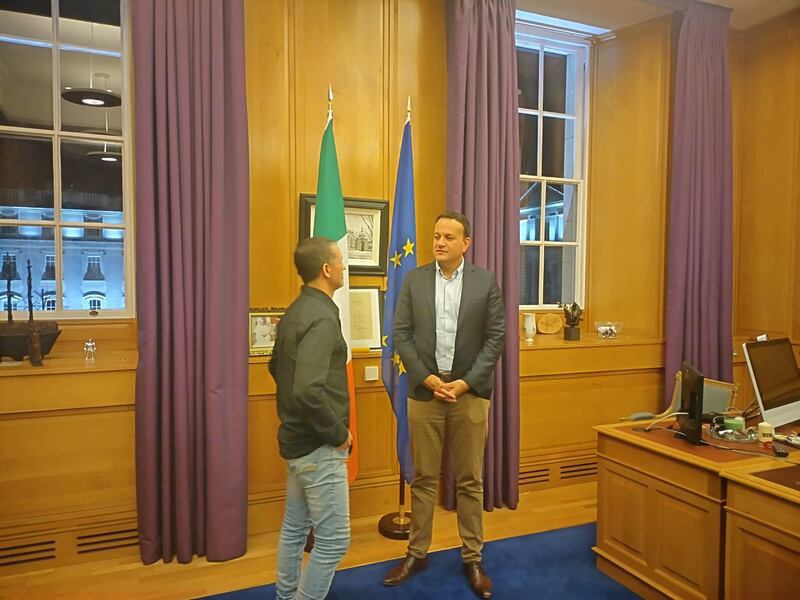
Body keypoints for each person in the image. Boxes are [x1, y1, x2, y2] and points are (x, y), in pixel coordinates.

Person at [382, 212, 505, 599]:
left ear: (466, 243)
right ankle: (417, 553)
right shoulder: (415, 280)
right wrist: (427, 379)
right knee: (423, 478)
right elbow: (401, 334)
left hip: (470, 394)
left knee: (470, 480)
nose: (439, 242)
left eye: (449, 237)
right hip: (425, 393)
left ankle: (473, 557)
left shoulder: (485, 282)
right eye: (436, 235)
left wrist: (465, 383)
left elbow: (495, 338)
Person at [269, 236, 354, 600]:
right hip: (318, 445)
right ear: (326, 269)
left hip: (296, 440)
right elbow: (307, 389)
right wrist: (338, 434)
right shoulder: (320, 317)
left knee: (294, 528)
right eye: (340, 260)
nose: (344, 266)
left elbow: (276, 367)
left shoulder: (297, 310)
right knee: (334, 541)